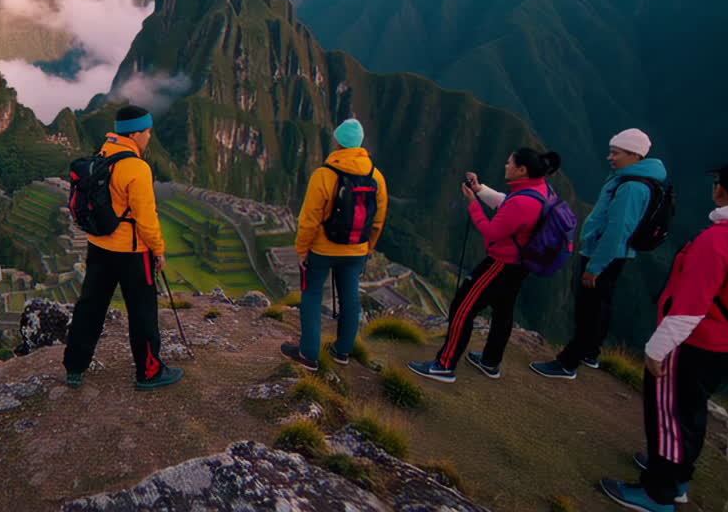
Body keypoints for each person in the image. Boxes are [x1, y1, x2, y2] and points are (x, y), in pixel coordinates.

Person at [600, 164, 728, 512]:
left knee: (668, 414)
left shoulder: (716, 241)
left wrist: (658, 348)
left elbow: (691, 304)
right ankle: (678, 477)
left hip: (689, 341)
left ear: (721, 190)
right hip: (719, 344)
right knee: (690, 410)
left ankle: (659, 492)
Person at [409, 147, 562, 382]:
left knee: (462, 308)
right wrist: (480, 190)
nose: (506, 166)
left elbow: (492, 231)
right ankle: (491, 362)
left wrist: (473, 203)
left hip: (500, 264)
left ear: (522, 169)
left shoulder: (522, 201)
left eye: (510, 163)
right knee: (503, 312)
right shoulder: (540, 189)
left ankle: (445, 365)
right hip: (520, 265)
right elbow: (508, 205)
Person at [63, 105, 183, 390]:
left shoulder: (102, 153)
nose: (149, 137)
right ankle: (149, 372)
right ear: (138, 133)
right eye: (148, 132)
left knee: (90, 307)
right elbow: (146, 217)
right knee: (142, 312)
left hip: (98, 246)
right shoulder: (137, 168)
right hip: (131, 252)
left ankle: (75, 367)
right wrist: (159, 249)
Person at [532, 129, 668, 379]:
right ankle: (590, 353)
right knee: (600, 306)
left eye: (616, 153)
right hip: (612, 255)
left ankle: (567, 363)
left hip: (604, 255)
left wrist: (595, 266)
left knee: (588, 310)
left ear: (634, 154)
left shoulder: (632, 187)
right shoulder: (632, 180)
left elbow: (618, 231)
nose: (610, 157)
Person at [282, 118, 388, 372]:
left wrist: (301, 249)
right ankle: (343, 351)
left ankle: (308, 354)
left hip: (322, 249)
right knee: (350, 297)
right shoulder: (376, 177)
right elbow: (379, 218)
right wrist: (369, 246)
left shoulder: (325, 175)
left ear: (338, 142)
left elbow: (309, 218)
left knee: (312, 296)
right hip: (357, 250)